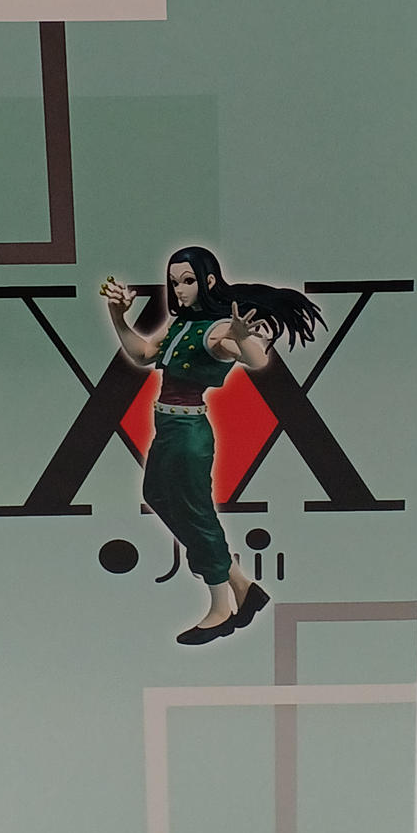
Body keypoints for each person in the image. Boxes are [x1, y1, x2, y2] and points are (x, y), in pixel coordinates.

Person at [101, 245, 324, 646]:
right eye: (174, 282)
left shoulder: (218, 329)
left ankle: (222, 608)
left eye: (188, 281)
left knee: (197, 513)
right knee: (156, 494)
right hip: (168, 428)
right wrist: (119, 317)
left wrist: (242, 337)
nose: (180, 290)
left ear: (208, 281)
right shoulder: (182, 323)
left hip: (189, 433)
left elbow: (255, 360)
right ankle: (242, 584)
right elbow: (143, 353)